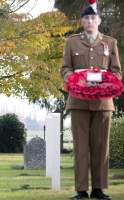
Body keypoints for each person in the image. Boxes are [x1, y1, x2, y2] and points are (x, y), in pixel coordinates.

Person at [60, 1, 121, 200]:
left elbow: (117, 71)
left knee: (101, 146)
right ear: (81, 21)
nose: (89, 21)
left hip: (103, 103)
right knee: (80, 146)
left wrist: (107, 82)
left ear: (99, 20)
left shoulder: (110, 43)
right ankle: (80, 189)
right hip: (78, 100)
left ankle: (99, 189)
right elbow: (65, 69)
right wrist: (75, 79)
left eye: (93, 18)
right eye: (86, 18)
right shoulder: (72, 42)